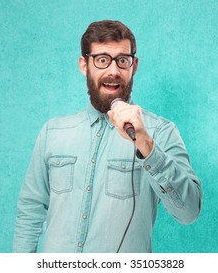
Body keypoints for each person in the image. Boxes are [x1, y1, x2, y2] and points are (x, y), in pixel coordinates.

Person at [13, 20, 202, 253]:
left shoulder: (160, 132)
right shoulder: (53, 132)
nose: (113, 71)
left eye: (122, 60)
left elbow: (189, 212)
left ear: (134, 66)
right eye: (102, 60)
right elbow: (30, 212)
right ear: (84, 65)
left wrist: (146, 145)